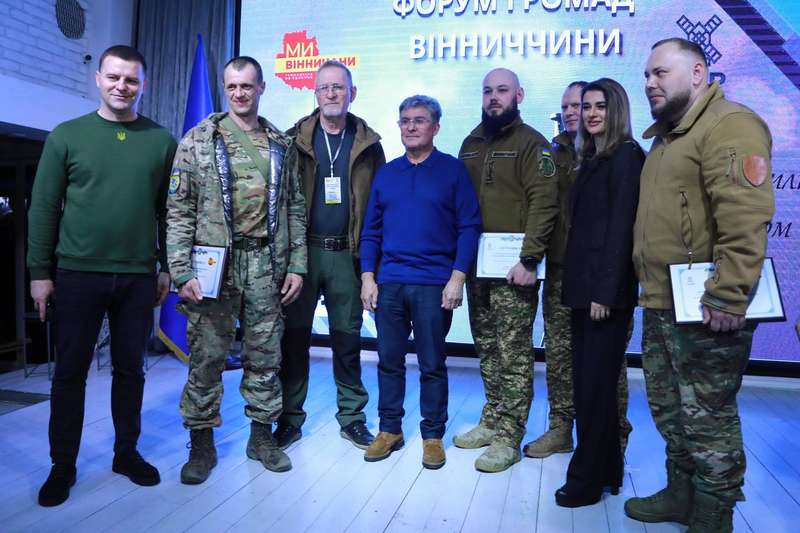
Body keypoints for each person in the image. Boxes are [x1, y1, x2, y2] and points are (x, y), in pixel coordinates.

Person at [624, 38, 774, 532]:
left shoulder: (729, 125)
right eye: (646, 75)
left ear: (697, 73)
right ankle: (680, 492)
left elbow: (744, 218)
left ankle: (713, 512)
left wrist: (729, 294)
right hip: (663, 301)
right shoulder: (667, 137)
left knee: (708, 417)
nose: (650, 83)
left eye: (660, 73)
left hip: (709, 309)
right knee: (670, 410)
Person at [27, 45, 176, 506]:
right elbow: (44, 208)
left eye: (131, 80)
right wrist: (39, 272)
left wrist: (166, 266)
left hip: (137, 277)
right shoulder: (66, 136)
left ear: (143, 85)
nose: (121, 86)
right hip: (76, 274)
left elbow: (168, 212)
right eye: (113, 77)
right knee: (69, 374)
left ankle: (126, 453)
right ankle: (63, 465)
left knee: (131, 371)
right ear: (98, 78)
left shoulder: (161, 141)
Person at [166, 56, 306, 484]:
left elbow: (294, 207)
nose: (240, 93)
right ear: (225, 89)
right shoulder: (198, 140)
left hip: (266, 263)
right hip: (214, 266)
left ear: (261, 88)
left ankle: (261, 438)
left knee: (265, 356)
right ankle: (201, 446)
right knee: (207, 357)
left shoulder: (281, 144)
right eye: (233, 86)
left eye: (247, 86)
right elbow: (179, 208)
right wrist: (180, 270)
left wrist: (297, 263)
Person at [359, 95, 481, 469]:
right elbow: (371, 231)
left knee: (432, 363)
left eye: (419, 120)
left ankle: (432, 435)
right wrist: (368, 277)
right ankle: (389, 430)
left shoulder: (453, 171)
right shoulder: (387, 174)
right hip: (391, 283)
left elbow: (469, 227)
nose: (410, 127)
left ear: (436, 127)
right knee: (388, 361)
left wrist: (457, 278)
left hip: (433, 284)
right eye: (405, 121)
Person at [454, 68, 558, 473]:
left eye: (502, 90)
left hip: (515, 269)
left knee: (513, 354)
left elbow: (544, 203)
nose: (493, 97)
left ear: (519, 95)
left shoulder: (533, 144)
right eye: (487, 91)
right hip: (476, 266)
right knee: (487, 349)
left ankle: (509, 436)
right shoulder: (470, 143)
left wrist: (530, 259)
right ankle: (493, 417)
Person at [277, 60, 385, 450]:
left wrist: (373, 266)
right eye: (325, 87)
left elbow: (379, 208)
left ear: (352, 92)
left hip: (347, 255)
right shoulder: (294, 140)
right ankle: (289, 418)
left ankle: (352, 418)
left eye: (339, 87)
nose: (332, 94)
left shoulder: (369, 145)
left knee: (348, 341)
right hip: (303, 255)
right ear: (316, 93)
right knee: (294, 340)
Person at [523, 81, 633, 459]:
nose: (574, 112)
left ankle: (614, 435)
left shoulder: (612, 154)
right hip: (561, 271)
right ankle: (561, 428)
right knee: (559, 355)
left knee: (607, 359)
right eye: (568, 106)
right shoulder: (551, 153)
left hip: (600, 275)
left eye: (580, 105)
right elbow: (542, 205)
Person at [554, 78, 644, 507]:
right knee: (593, 386)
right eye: (586, 106)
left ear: (617, 110)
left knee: (593, 390)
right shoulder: (592, 157)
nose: (590, 114)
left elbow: (622, 229)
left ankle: (585, 480)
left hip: (604, 295)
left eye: (600, 106)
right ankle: (608, 469)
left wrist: (605, 293)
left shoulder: (626, 156)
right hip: (583, 291)